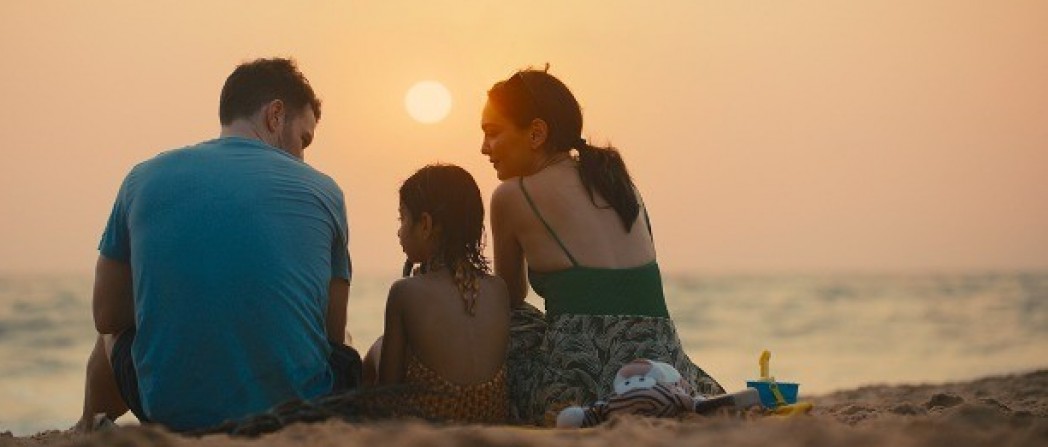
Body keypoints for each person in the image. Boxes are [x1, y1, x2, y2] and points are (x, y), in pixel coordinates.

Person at [74, 57, 356, 432]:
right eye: (303, 140)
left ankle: (86, 429)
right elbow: (331, 332)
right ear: (275, 115)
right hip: (295, 414)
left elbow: (107, 316)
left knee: (109, 337)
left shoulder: (141, 178)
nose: (303, 156)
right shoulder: (325, 190)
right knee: (344, 340)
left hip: (171, 416)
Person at [481, 67, 725, 425]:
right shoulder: (619, 182)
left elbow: (510, 298)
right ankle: (658, 395)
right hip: (663, 359)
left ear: (536, 133)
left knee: (509, 323)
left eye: (492, 133)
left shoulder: (512, 195)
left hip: (585, 375)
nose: (484, 148)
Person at [361, 164, 510, 424]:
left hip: (432, 421)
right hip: (489, 418)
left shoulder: (404, 292)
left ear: (425, 225)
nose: (399, 231)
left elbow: (388, 391)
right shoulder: (498, 288)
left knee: (377, 347)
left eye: (402, 219)